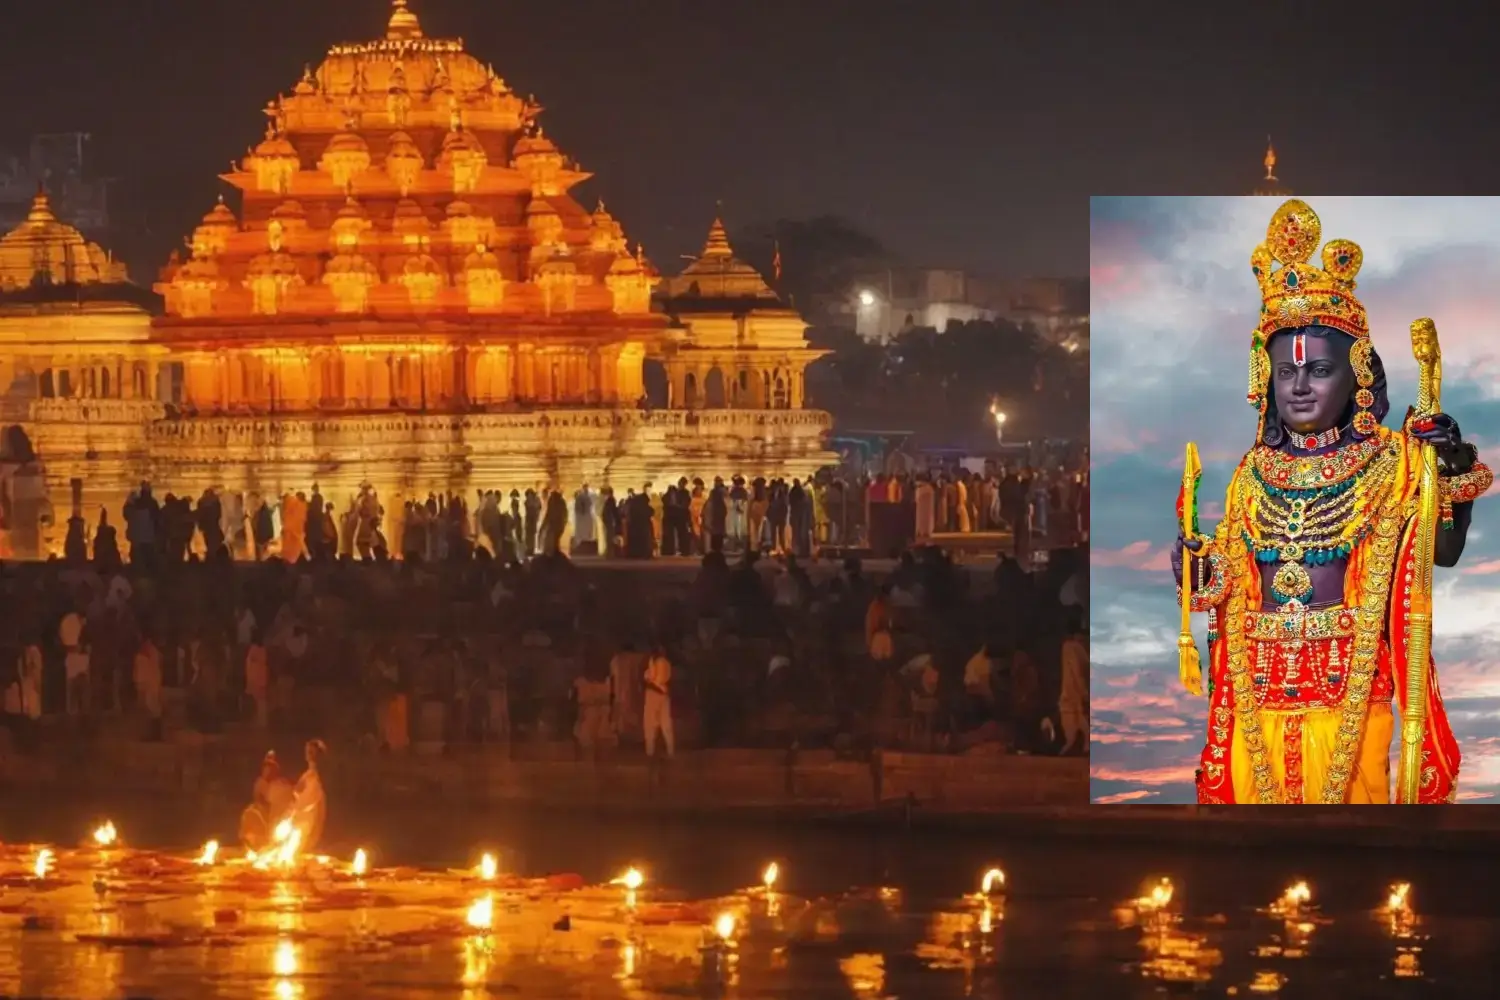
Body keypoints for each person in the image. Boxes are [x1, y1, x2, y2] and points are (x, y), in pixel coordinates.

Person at [1172, 199, 1492, 805]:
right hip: (1256, 693)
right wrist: (1198, 573)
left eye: (1319, 370)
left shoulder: (1393, 462)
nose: (1297, 386)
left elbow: (1439, 553)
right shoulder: (1250, 475)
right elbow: (1230, 587)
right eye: (1284, 372)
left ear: (1358, 378)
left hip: (1350, 692)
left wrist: (1446, 465)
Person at [239, 751, 295, 851]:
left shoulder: (281, 785)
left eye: (270, 767)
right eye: (266, 766)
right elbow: (257, 800)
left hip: (278, 818)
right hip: (264, 817)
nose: (267, 769)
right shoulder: (259, 783)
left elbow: (287, 804)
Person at [289, 739, 328, 851]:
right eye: (308, 751)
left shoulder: (318, 776)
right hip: (301, 816)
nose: (308, 755)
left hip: (312, 815)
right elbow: (297, 792)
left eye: (311, 752)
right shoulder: (307, 775)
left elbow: (314, 796)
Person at [1058, 609, 1088, 755]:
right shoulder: (1075, 647)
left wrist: (1083, 693)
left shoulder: (1071, 647)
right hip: (1073, 695)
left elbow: (1077, 673)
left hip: (1072, 696)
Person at [642, 644, 674, 759]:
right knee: (666, 723)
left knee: (650, 724)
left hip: (653, 693)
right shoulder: (667, 663)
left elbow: (650, 678)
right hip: (664, 694)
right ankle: (670, 750)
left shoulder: (653, 661)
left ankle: (650, 751)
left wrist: (649, 680)